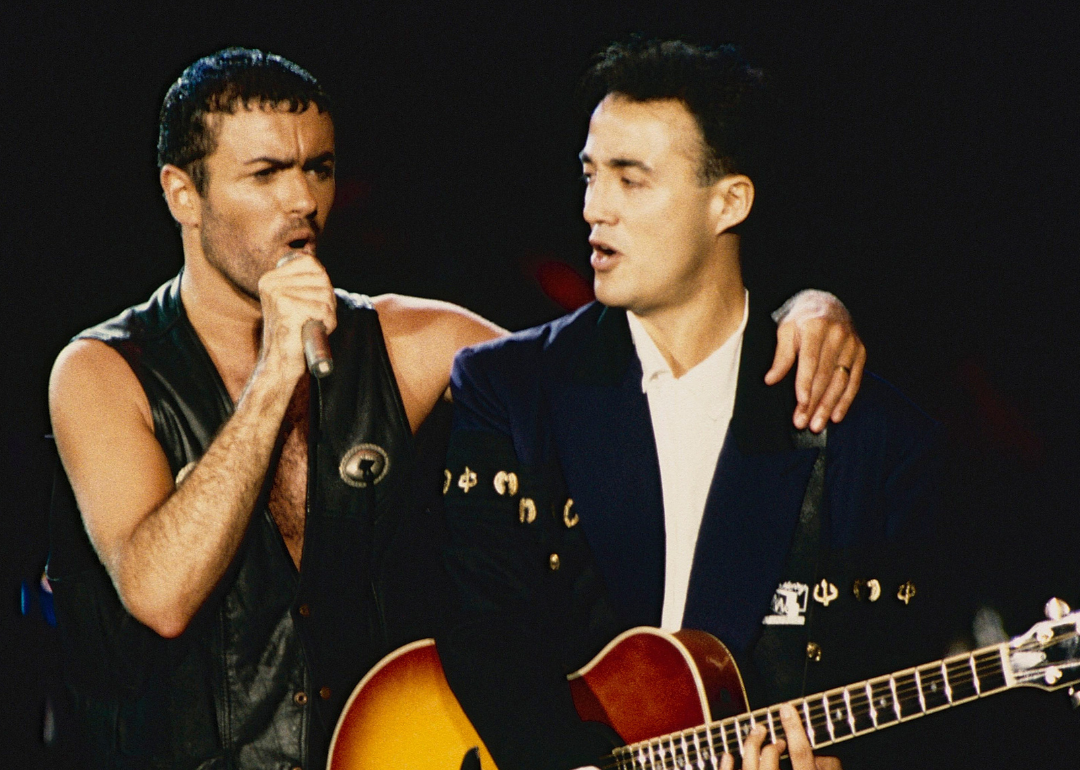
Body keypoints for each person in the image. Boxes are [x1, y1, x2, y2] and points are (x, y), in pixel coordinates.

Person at [47, 48, 865, 769]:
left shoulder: (406, 341)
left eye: (320, 169)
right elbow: (160, 596)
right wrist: (273, 376)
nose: (303, 202)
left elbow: (624, 360)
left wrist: (800, 310)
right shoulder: (101, 372)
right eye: (266, 175)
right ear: (182, 195)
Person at [438, 39, 942, 770]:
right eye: (590, 174)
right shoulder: (509, 389)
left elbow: (905, 696)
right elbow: (481, 633)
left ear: (728, 201)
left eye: (630, 180)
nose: (593, 208)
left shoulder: (875, 439)